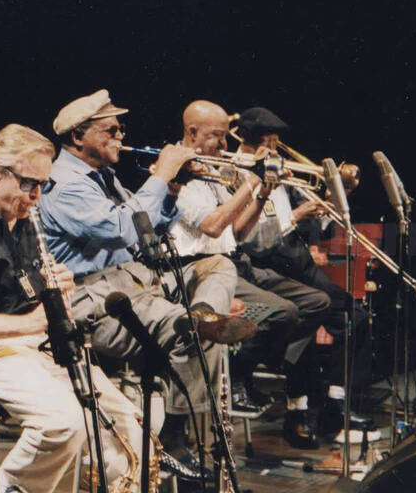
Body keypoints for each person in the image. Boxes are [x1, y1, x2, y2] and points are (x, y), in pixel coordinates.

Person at [37, 90, 256, 479]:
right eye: (111, 130)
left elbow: (146, 234)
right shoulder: (65, 184)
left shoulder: (105, 178)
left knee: (218, 265)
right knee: (194, 334)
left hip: (137, 281)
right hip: (95, 297)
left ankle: (202, 317)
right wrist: (161, 175)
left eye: (121, 128)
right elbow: (122, 229)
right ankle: (176, 427)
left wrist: (171, 190)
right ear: (77, 138)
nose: (121, 135)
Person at [0, 123, 161, 493]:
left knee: (127, 425)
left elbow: (33, 300)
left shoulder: (25, 222)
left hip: (36, 348)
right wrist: (29, 323)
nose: (37, 196)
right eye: (29, 184)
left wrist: (58, 290)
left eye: (44, 185)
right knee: (63, 422)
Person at [168, 100, 332, 448]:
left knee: (318, 302)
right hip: (198, 269)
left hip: (232, 262)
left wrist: (263, 192)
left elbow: (238, 232)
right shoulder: (176, 174)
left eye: (225, 136)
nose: (224, 145)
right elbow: (212, 227)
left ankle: (247, 362)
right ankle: (243, 368)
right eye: (216, 136)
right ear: (192, 132)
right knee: (284, 311)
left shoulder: (212, 168)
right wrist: (251, 182)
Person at [232, 107, 377, 444]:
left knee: (356, 316)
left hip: (296, 258)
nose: (275, 149)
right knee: (308, 319)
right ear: (252, 142)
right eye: (268, 142)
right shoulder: (236, 173)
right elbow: (250, 237)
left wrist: (329, 201)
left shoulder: (280, 170)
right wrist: (296, 214)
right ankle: (297, 410)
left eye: (276, 141)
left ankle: (334, 405)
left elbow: (309, 221)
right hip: (264, 264)